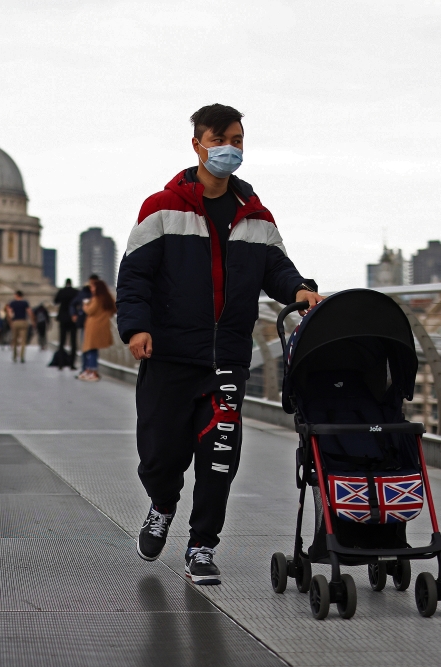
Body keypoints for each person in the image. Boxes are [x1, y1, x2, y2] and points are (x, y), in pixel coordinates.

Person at [116, 103, 323, 585]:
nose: (232, 148)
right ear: (197, 145)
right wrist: (136, 327)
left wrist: (299, 290)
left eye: (239, 139)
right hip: (168, 356)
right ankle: (163, 504)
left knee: (219, 458)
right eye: (222, 139)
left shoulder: (257, 214)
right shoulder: (160, 208)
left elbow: (278, 269)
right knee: (160, 456)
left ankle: (202, 546)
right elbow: (135, 277)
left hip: (227, 359)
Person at [78, 278, 116, 382]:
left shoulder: (96, 299)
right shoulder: (107, 298)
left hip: (93, 327)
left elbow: (90, 310)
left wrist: (85, 305)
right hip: (102, 326)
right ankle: (90, 370)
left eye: (92, 287)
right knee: (93, 348)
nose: (91, 289)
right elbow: (114, 309)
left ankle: (92, 371)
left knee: (91, 348)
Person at [54, 279, 79, 368]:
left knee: (62, 342)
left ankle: (61, 363)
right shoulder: (75, 292)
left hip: (63, 318)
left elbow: (56, 301)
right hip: (73, 318)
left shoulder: (61, 291)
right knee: (73, 342)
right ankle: (72, 364)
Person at [6, 290, 32, 363]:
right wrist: (32, 321)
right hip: (23, 322)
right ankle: (22, 357)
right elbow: (29, 312)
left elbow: (9, 313)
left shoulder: (12, 303)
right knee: (23, 341)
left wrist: (10, 321)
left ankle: (14, 356)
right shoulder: (25, 303)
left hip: (15, 322)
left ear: (16, 295)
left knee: (14, 340)